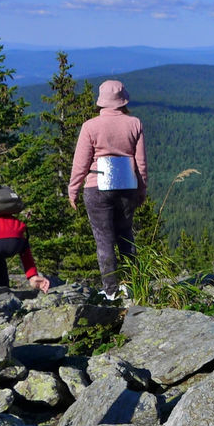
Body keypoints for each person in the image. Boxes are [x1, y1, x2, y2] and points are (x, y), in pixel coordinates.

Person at [68, 80, 148, 301]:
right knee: (126, 236)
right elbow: (141, 163)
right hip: (128, 187)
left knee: (104, 240)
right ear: (123, 100)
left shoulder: (90, 126)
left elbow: (80, 164)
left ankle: (110, 290)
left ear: (101, 101)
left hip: (97, 187)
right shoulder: (135, 123)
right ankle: (133, 284)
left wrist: (73, 190)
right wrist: (142, 190)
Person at [0, 190, 51, 293]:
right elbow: (24, 244)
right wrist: (32, 275)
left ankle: (2, 292)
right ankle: (3, 290)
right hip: (15, 241)